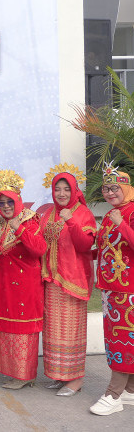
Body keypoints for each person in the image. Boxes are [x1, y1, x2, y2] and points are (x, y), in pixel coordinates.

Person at [40, 164, 95, 397]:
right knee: (54, 330)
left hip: (72, 281)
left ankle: (76, 380)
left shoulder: (83, 213)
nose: (61, 194)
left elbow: (85, 245)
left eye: (66, 189)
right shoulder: (48, 214)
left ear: (74, 191)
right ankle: (59, 375)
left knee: (71, 331)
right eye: (57, 189)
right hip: (52, 282)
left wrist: (71, 220)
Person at [0, 170, 46, 390]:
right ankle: (14, 374)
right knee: (6, 329)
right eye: (1, 202)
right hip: (3, 284)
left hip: (25, 285)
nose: (5, 206)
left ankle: (25, 376)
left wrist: (20, 230)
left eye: (9, 201)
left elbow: (39, 249)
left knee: (22, 330)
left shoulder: (29, 220)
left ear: (18, 201)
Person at [90, 164, 134, 415]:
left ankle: (113, 394)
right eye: (106, 188)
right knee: (120, 338)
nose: (109, 193)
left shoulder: (130, 212)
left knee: (122, 340)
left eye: (114, 188)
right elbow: (107, 249)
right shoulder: (110, 215)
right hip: (111, 289)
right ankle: (129, 390)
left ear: (126, 188)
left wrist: (122, 225)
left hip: (129, 290)